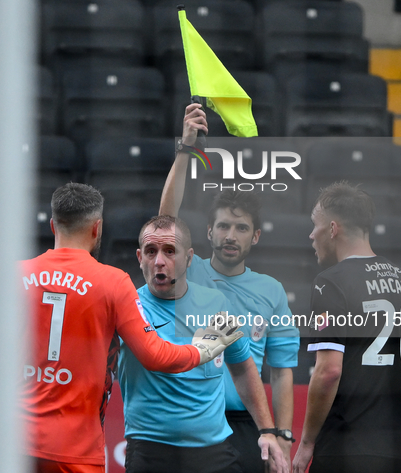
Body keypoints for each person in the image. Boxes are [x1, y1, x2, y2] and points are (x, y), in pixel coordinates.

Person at [0, 182, 243, 473]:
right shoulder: (113, 283)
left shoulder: (13, 275)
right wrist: (203, 349)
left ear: (53, 224)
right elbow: (156, 356)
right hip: (75, 452)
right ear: (97, 228)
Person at [159, 103, 300, 472]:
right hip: (191, 422)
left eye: (240, 228)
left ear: (255, 236)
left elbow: (282, 370)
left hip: (246, 427)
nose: (230, 236)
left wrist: (282, 434)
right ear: (208, 232)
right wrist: (187, 149)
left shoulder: (271, 291)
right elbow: (166, 220)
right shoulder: (189, 272)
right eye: (222, 226)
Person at [118, 215, 289, 473]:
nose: (159, 261)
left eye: (170, 251)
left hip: (214, 452)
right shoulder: (126, 306)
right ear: (140, 257)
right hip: (151, 451)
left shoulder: (216, 303)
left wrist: (266, 430)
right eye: (151, 252)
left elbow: (242, 367)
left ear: (188, 258)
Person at [292, 182, 401, 473]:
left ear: (332, 229)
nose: (311, 235)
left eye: (314, 226)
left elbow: (329, 371)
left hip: (346, 452)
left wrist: (306, 444)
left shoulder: (330, 281)